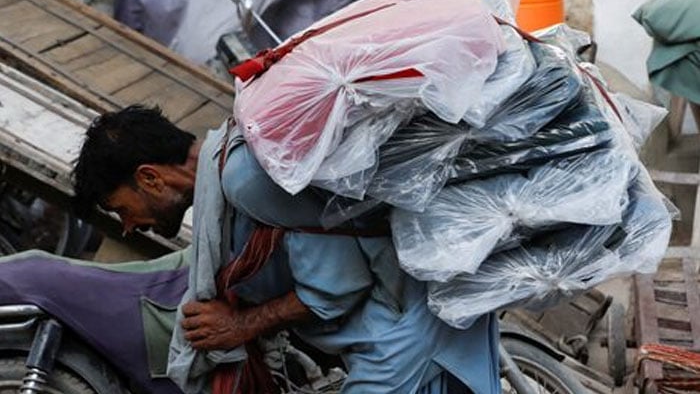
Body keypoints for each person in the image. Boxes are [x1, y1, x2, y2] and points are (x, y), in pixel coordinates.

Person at [72, 105, 500, 394]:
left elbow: (336, 285)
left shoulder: (243, 178)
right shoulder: (229, 167)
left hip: (405, 330)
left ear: (149, 178)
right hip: (397, 321)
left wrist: (241, 325)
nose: (127, 227)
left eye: (119, 210)